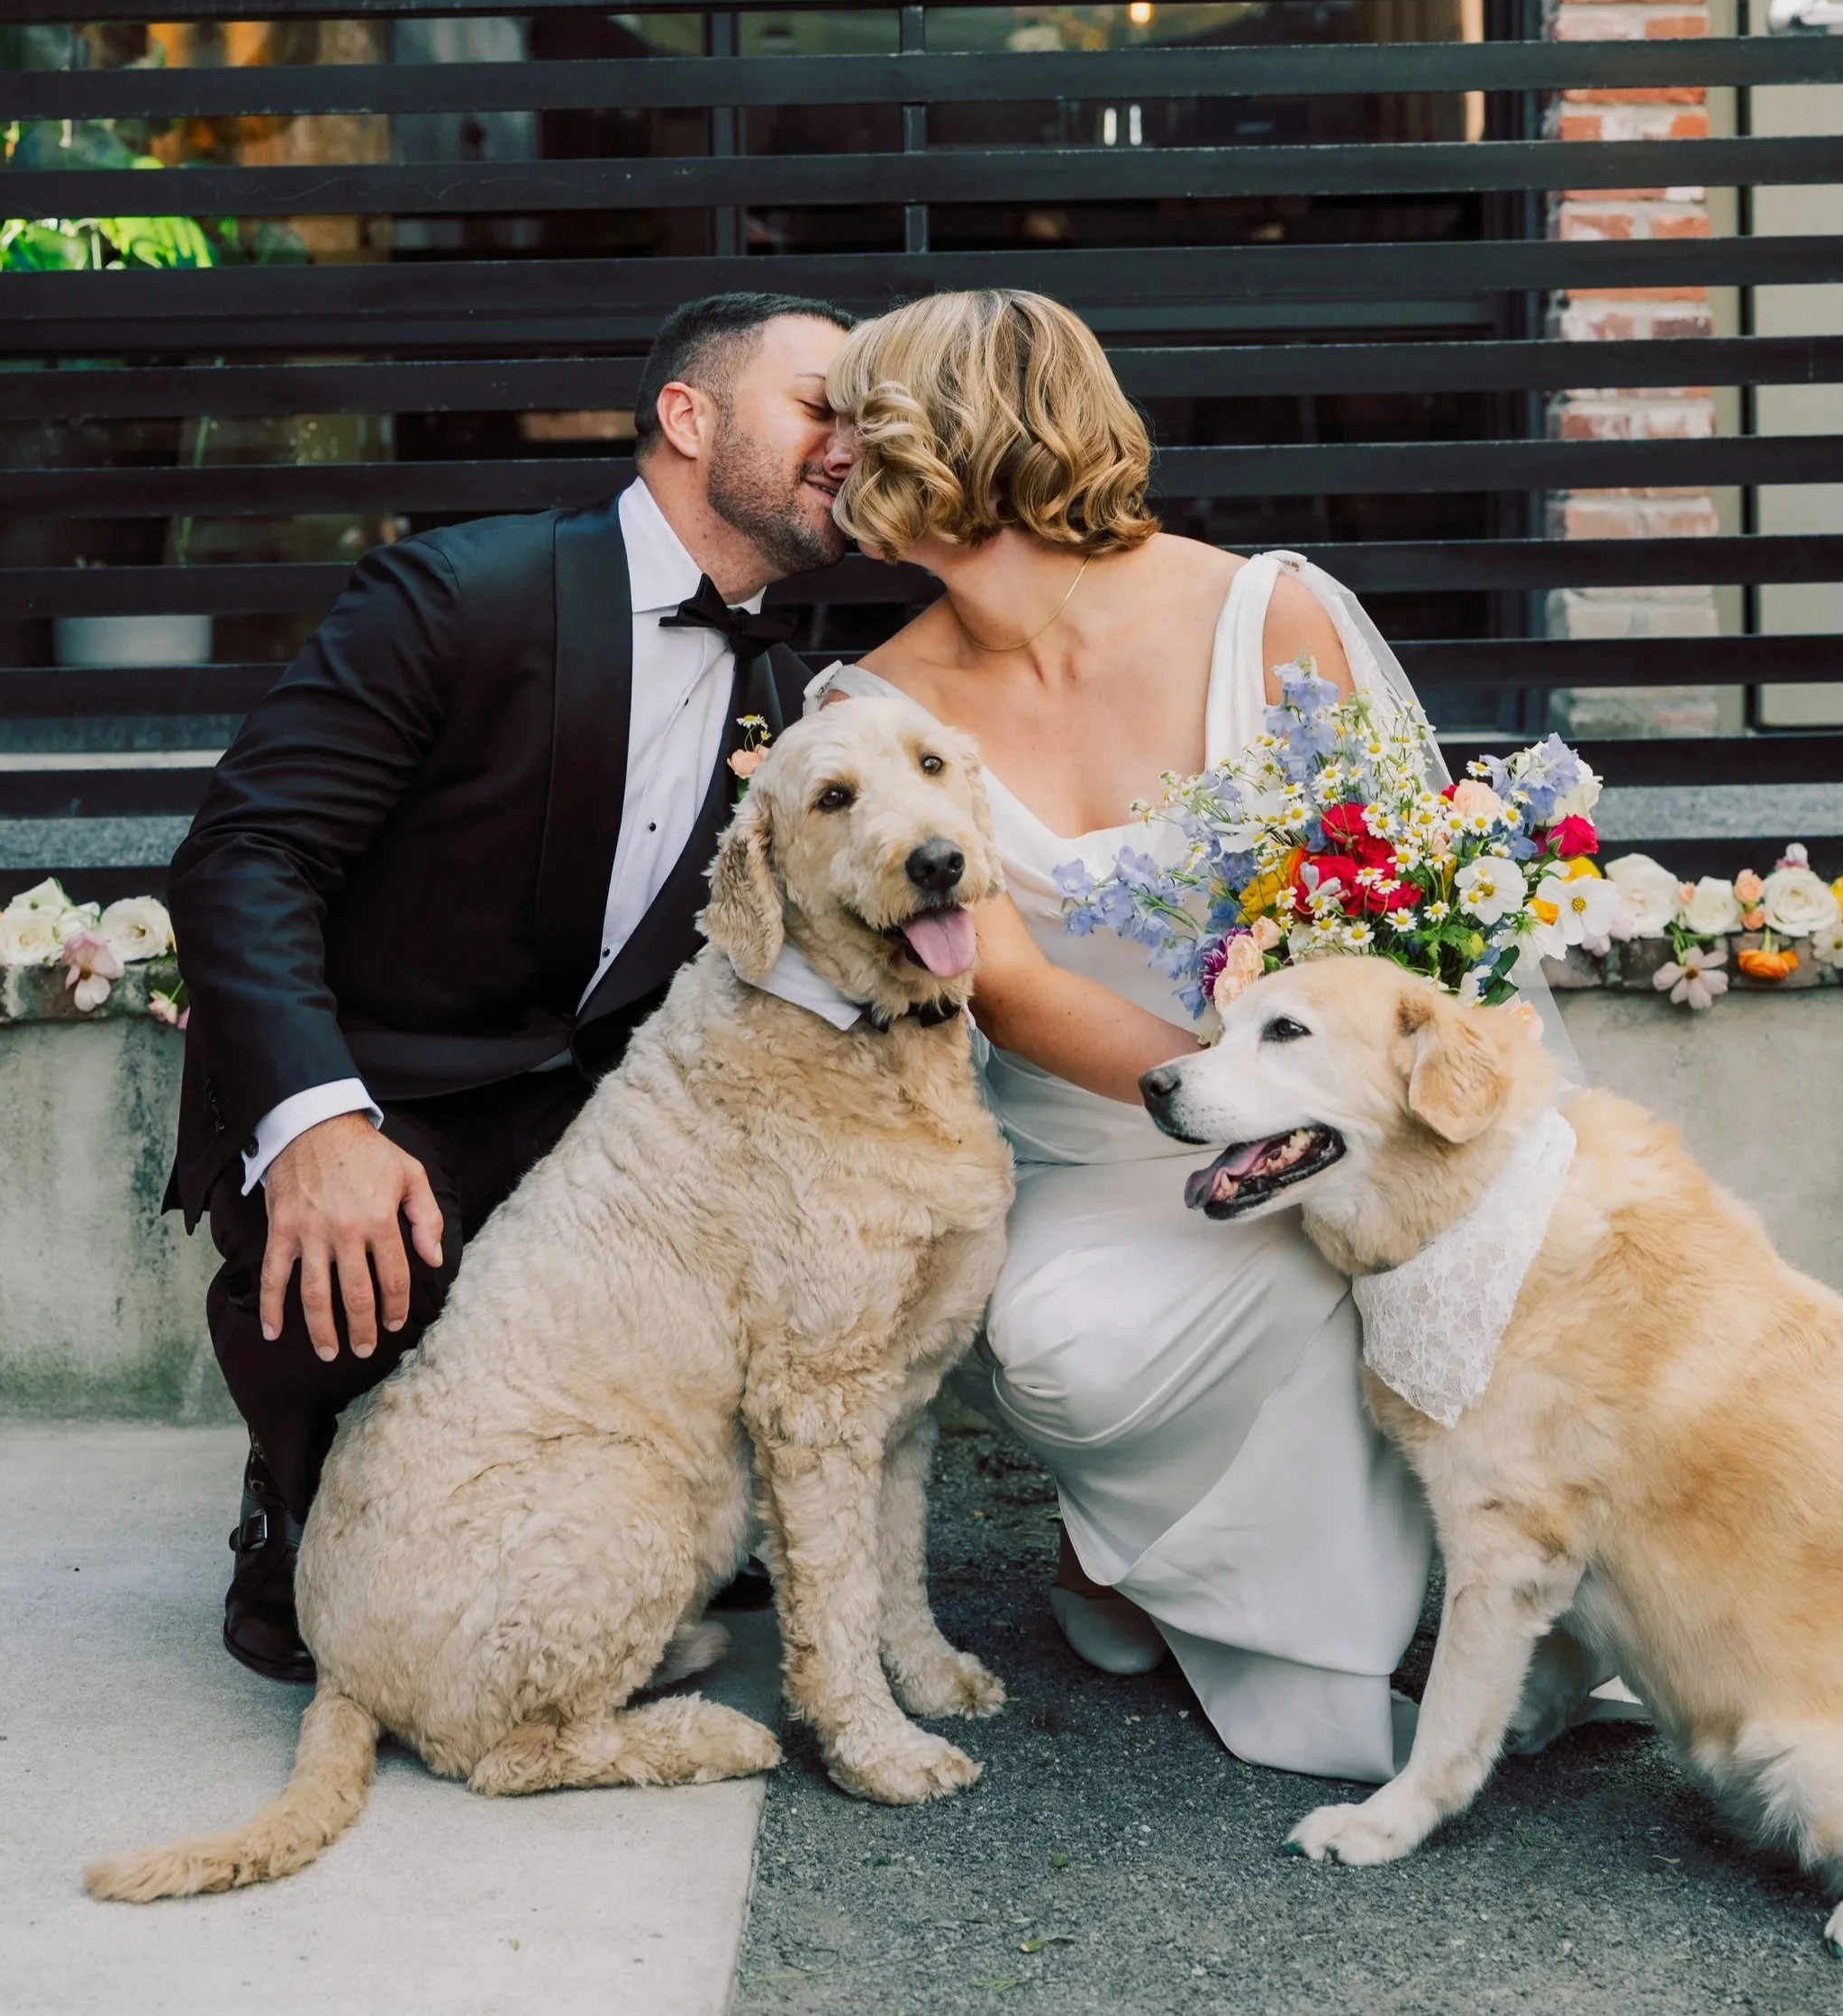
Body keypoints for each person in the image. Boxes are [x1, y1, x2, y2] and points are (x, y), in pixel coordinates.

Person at [166, 292, 856, 1682]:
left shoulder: (790, 689)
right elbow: (247, 856)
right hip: (389, 1080)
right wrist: (314, 1125)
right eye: (820, 406)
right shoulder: (457, 594)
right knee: (370, 1254)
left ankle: (637, 1518)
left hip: (593, 1111)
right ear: (689, 418)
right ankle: (296, 1499)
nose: (852, 443)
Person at [811, 288, 1448, 1783]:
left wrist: (1327, 1117)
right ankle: (1136, 1555)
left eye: (852, 417)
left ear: (947, 434)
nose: (824, 454)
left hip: (1346, 1100)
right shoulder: (876, 702)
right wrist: (1233, 1107)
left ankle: (1249, 1591)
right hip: (1097, 1134)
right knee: (1060, 1352)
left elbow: (1390, 902)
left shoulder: (1268, 614)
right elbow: (1008, 984)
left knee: (1369, 1256)